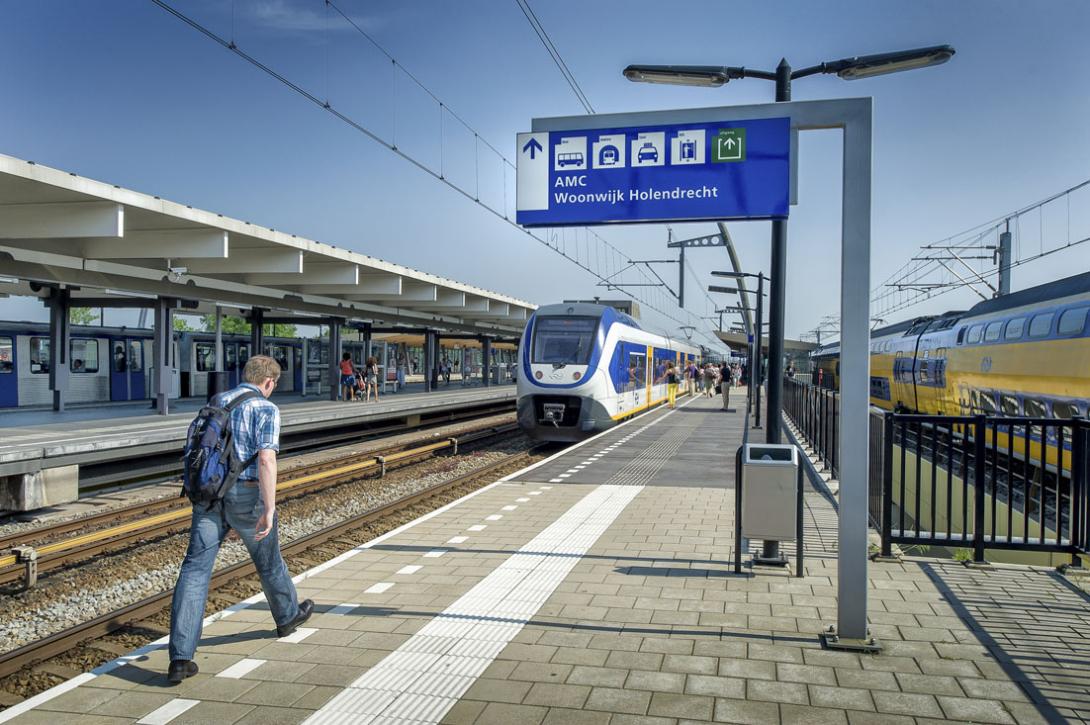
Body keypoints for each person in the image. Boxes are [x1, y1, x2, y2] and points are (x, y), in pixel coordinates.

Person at [167, 355, 313, 684]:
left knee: (194, 570)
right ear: (269, 382)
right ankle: (287, 617)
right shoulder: (265, 408)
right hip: (246, 494)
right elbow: (266, 460)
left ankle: (180, 658)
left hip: (208, 494)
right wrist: (269, 508)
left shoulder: (218, 401)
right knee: (268, 561)